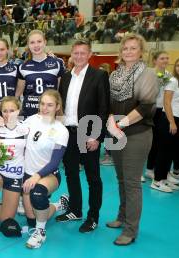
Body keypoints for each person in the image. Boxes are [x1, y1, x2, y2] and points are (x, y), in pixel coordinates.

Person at [106, 33, 159, 246]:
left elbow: (146, 106)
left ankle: (131, 229)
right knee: (120, 179)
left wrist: (122, 123)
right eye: (125, 48)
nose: (128, 51)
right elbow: (110, 103)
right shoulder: (115, 75)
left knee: (132, 183)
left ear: (141, 51)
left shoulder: (147, 74)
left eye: (133, 48)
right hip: (116, 131)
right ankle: (122, 216)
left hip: (137, 133)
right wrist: (112, 121)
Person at [56, 39, 110, 233]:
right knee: (70, 173)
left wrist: (97, 136)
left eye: (83, 53)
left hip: (88, 133)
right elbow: (61, 106)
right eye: (76, 53)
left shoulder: (99, 76)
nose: (79, 56)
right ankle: (75, 210)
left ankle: (93, 216)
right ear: (72, 54)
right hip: (68, 133)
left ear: (89, 55)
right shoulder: (66, 76)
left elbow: (104, 108)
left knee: (93, 177)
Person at [22, 90, 69, 249]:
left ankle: (40, 232)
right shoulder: (31, 120)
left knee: (37, 192)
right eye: (42, 104)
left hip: (49, 174)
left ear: (57, 107)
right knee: (31, 218)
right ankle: (58, 205)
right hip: (28, 174)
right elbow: (14, 133)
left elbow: (55, 162)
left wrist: (37, 176)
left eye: (50, 105)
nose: (45, 108)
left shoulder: (61, 130)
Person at [0, 97, 29, 244]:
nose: (8, 115)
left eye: (12, 111)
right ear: (0, 112)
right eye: (5, 111)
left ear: (18, 111)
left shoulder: (26, 129)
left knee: (6, 219)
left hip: (15, 174)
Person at [15, 30, 65, 118]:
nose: (36, 45)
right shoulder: (22, 66)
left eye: (39, 41)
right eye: (32, 42)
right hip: (29, 113)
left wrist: (60, 115)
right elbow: (17, 94)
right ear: (28, 45)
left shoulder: (57, 63)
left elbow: (60, 92)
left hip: (50, 113)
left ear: (45, 42)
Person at [152, 57, 179, 192]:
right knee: (163, 152)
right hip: (170, 119)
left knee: (171, 151)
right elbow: (166, 102)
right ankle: (157, 181)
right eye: (178, 65)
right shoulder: (172, 80)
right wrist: (172, 122)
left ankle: (164, 178)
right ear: (175, 68)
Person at [144, 51, 172, 182]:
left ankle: (150, 169)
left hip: (162, 111)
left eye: (167, 58)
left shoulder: (169, 75)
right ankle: (137, 171)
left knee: (156, 142)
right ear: (155, 60)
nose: (165, 60)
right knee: (144, 142)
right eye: (162, 58)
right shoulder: (148, 73)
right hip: (148, 110)